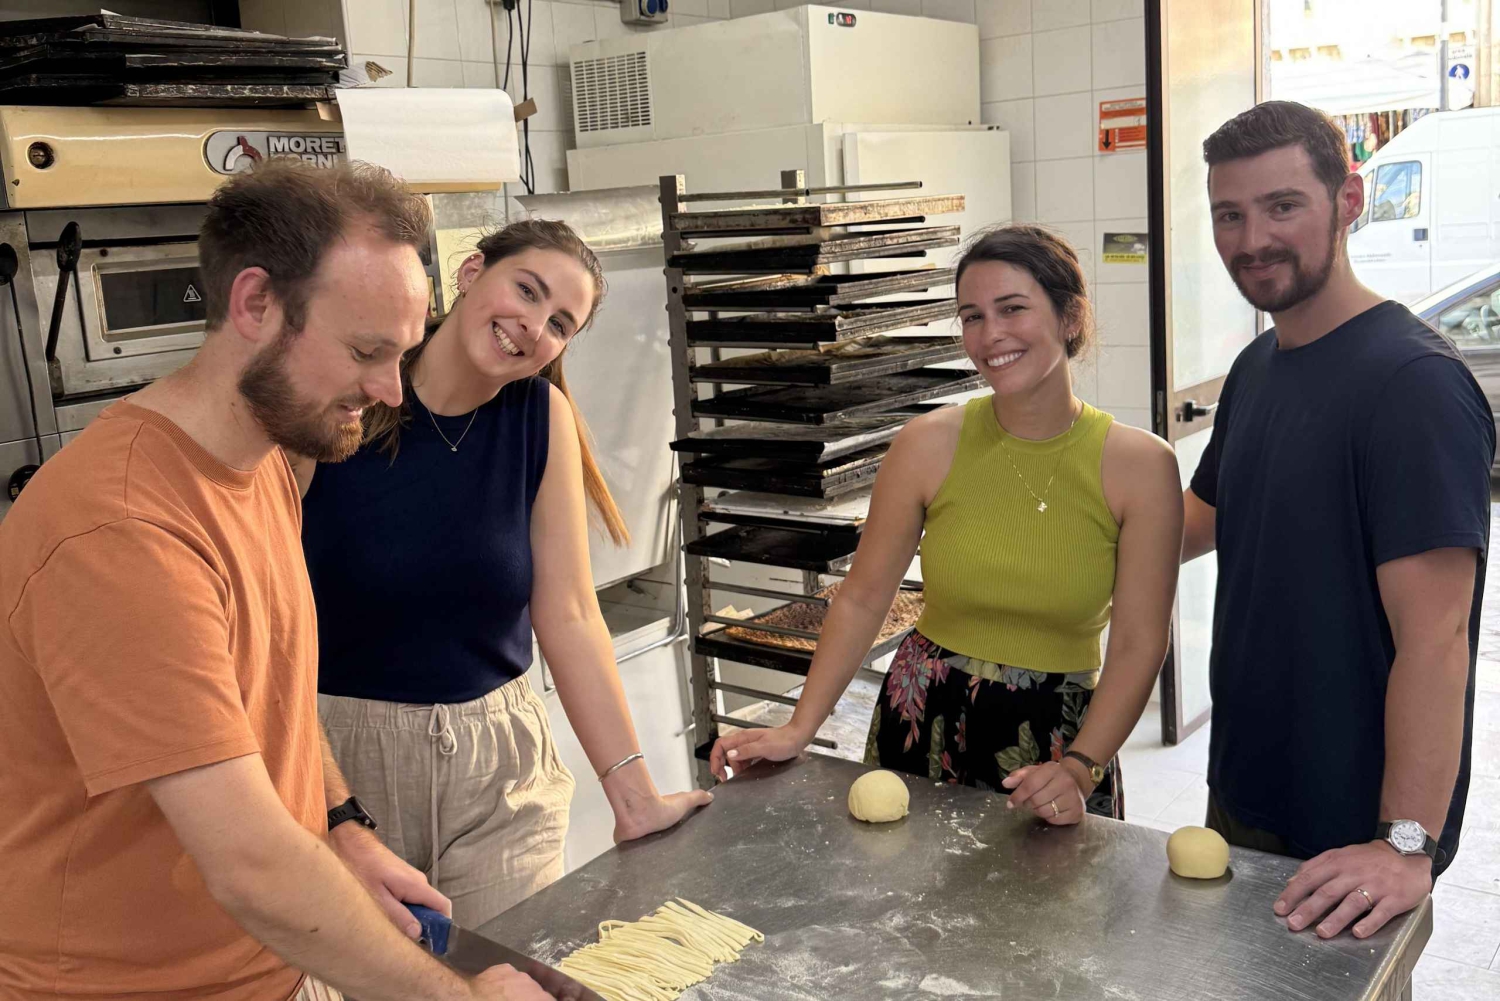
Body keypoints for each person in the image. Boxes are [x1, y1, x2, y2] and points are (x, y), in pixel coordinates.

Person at [0, 159, 548, 1000]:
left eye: (400, 353)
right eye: (366, 351)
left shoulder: (263, 464)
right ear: (256, 303)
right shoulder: (122, 530)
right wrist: (461, 997)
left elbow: (270, 702)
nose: (387, 389)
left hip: (274, 964)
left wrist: (342, 825)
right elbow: (250, 863)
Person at [296, 218, 712, 930]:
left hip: (502, 763)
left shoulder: (539, 416)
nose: (533, 326)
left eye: (559, 323)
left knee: (506, 972)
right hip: (345, 754)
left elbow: (572, 615)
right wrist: (325, 797)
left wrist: (635, 795)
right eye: (527, 289)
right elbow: (271, 605)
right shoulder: (353, 398)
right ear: (470, 273)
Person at [709, 226, 1183, 826]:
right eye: (971, 317)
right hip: (922, 711)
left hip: (1059, 737)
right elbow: (862, 598)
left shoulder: (1140, 467)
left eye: (1012, 309)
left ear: (1071, 317)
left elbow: (1141, 641)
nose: (991, 336)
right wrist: (801, 725)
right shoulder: (928, 444)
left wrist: (1083, 763)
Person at [1184, 101, 1493, 941]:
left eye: (1283, 206)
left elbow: (1437, 637)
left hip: (1352, 831)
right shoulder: (1256, 369)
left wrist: (1404, 843)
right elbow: (1193, 521)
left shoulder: (1412, 386)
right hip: (1247, 789)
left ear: (1349, 200)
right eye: (1229, 214)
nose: (1252, 240)